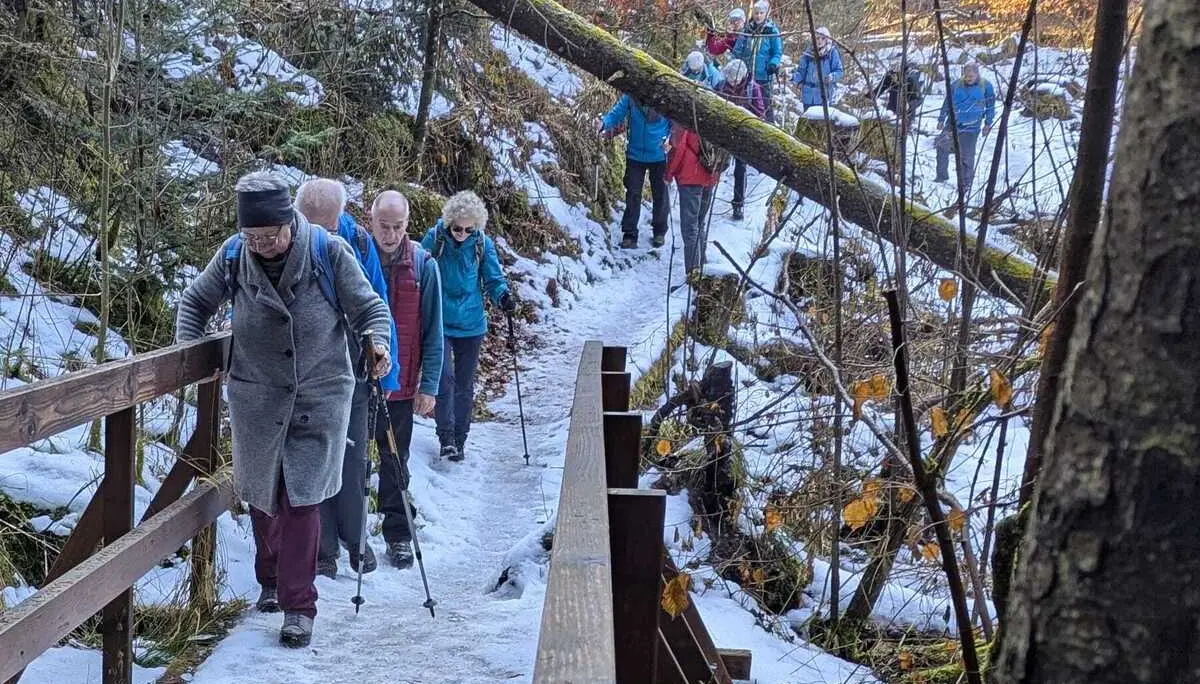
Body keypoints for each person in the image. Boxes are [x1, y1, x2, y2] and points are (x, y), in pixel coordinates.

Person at [175, 171, 392, 648]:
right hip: (257, 399)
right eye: (254, 237)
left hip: (319, 397)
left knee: (303, 501)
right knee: (262, 498)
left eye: (270, 236)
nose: (263, 245)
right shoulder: (234, 256)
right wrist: (187, 358)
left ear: (288, 223)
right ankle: (270, 581)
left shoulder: (327, 251)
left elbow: (370, 309)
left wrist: (378, 345)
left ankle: (299, 606)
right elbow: (195, 302)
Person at [295, 178, 396, 580]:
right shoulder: (285, 241)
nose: (322, 236)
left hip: (353, 369)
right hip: (305, 374)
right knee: (315, 457)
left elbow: (377, 302)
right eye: (312, 226)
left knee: (353, 457)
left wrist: (385, 361)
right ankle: (322, 549)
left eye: (329, 228)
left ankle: (355, 541)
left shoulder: (360, 243)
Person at [366, 190, 443, 568]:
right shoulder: (356, 257)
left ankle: (397, 534)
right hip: (359, 382)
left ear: (407, 225)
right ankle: (351, 539)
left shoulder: (425, 266)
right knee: (352, 463)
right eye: (384, 226)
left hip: (401, 383)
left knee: (395, 461)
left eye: (398, 227)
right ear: (371, 221)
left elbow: (433, 331)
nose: (391, 234)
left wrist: (428, 386)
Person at [420, 191, 514, 461]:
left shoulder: (481, 244)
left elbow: (493, 279)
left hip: (472, 324)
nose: (461, 233)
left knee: (464, 383)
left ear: (476, 227)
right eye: (456, 228)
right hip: (439, 321)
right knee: (444, 379)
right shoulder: (436, 238)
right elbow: (416, 266)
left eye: (467, 229)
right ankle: (446, 437)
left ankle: (460, 438)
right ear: (448, 223)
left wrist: (503, 297)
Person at [597, 95, 672, 248]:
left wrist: (670, 140)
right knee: (632, 193)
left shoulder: (667, 96)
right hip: (635, 154)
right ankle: (630, 233)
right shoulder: (631, 96)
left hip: (659, 155)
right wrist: (603, 123)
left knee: (661, 194)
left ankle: (659, 231)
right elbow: (617, 113)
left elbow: (675, 123)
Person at [666, 121, 720, 278]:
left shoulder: (685, 120)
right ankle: (703, 268)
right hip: (709, 176)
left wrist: (668, 174)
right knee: (700, 223)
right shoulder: (711, 120)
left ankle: (693, 273)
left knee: (690, 228)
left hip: (690, 178)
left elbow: (678, 149)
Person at [716, 59, 766, 221]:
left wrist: (745, 111)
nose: (733, 83)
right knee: (717, 164)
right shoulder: (721, 86)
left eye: (735, 80)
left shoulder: (753, 88)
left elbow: (760, 114)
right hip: (724, 131)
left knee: (740, 169)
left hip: (743, 134)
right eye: (730, 80)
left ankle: (738, 205)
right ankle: (706, 198)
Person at [935, 61, 996, 192]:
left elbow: (990, 106)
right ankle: (941, 176)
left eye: (971, 76)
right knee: (941, 146)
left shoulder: (986, 86)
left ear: (977, 74)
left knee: (967, 156)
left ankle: (965, 184)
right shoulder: (956, 85)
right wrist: (941, 118)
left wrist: (988, 124)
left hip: (972, 126)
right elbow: (947, 102)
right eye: (966, 76)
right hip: (953, 123)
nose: (968, 79)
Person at [732, 0, 782, 124]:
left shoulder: (772, 31)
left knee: (765, 105)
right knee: (747, 102)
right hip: (747, 75)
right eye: (756, 13)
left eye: (761, 13)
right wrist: (735, 64)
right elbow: (738, 50)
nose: (758, 15)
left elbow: (777, 52)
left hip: (764, 76)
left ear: (766, 14)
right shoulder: (747, 29)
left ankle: (770, 127)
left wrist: (773, 63)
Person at [791, 27, 844, 109]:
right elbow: (801, 72)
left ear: (827, 39)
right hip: (808, 96)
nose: (820, 41)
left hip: (824, 95)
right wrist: (793, 77)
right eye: (817, 38)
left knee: (821, 120)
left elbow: (839, 71)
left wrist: (831, 77)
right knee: (807, 120)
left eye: (823, 38)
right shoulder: (807, 54)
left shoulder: (832, 53)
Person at [875, 57, 924, 126]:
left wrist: (909, 107)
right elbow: (878, 90)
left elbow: (917, 98)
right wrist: (868, 98)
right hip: (893, 107)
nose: (893, 76)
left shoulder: (911, 79)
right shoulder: (889, 77)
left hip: (907, 107)